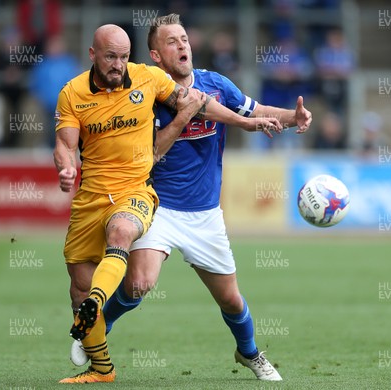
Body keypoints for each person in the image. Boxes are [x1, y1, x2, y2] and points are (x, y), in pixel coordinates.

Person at [70, 14, 312, 381]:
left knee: (230, 299)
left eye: (184, 38)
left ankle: (249, 353)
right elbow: (151, 153)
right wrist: (181, 117)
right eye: (172, 41)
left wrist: (293, 118)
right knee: (138, 283)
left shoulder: (216, 85)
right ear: (156, 55)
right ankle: (94, 330)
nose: (182, 45)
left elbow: (255, 111)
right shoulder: (146, 95)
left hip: (205, 214)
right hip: (157, 206)